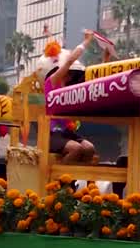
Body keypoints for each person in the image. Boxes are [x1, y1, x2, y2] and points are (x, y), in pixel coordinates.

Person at [38, 31, 97, 164]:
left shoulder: (71, 89)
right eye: (68, 72)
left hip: (68, 133)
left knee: (89, 148)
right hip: (51, 134)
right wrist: (86, 41)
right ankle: (59, 182)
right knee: (76, 149)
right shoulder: (51, 82)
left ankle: (74, 180)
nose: (70, 75)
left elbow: (95, 84)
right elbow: (70, 60)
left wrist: (106, 59)